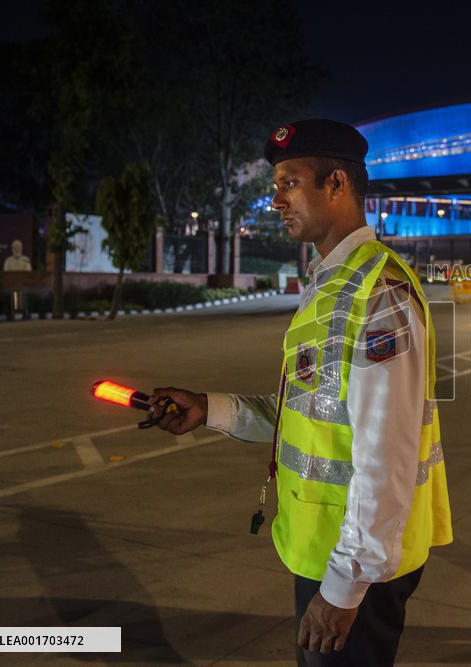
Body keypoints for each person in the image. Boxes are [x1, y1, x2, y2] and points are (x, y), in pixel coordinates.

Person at [147, 119, 453, 666]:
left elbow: (387, 456)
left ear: (336, 184)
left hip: (357, 570)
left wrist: (343, 589)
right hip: (326, 552)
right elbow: (308, 414)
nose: (275, 200)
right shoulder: (330, 282)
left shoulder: (379, 293)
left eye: (289, 183)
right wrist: (208, 409)